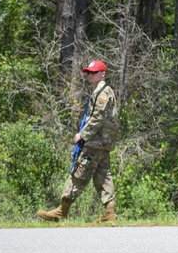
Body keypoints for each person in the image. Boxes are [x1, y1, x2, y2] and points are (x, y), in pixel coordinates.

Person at [37, 60, 120, 223]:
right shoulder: (100, 91)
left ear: (103, 74)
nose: (90, 75)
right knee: (103, 175)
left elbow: (97, 118)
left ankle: (61, 211)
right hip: (102, 143)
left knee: (79, 173)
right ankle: (109, 213)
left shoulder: (102, 92)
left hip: (95, 142)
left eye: (93, 72)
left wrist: (82, 135)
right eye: (88, 72)